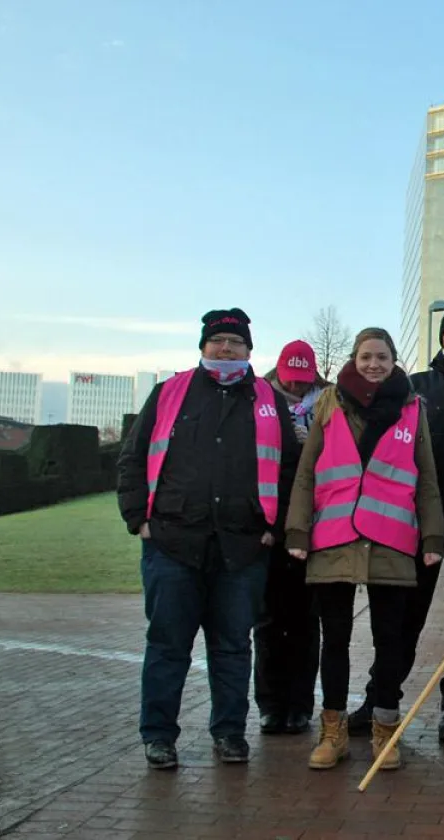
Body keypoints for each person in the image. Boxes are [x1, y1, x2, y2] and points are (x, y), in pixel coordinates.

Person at [117, 308, 300, 770]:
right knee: (167, 646)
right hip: (173, 544)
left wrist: (273, 530)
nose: (225, 349)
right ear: (203, 346)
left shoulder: (267, 399)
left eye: (235, 343)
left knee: (233, 647)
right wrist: (138, 518)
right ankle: (158, 735)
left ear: (248, 351)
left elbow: (291, 470)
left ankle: (230, 733)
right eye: (217, 341)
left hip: (241, 549)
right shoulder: (169, 393)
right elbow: (133, 458)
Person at [284, 327, 444, 772]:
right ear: (353, 359)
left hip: (392, 540)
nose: (373, 364)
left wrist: (433, 537)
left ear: (395, 360)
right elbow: (307, 471)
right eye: (365, 356)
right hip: (333, 539)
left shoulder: (414, 409)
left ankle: (384, 731)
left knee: (389, 641)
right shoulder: (328, 403)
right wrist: (297, 532)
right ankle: (333, 732)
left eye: (382, 357)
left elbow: (426, 477)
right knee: (334, 639)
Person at [347, 302, 444, 742]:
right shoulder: (414, 387)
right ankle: (380, 697)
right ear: (442, 336)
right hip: (418, 519)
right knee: (405, 616)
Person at [253, 340, 328, 736]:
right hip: (269, 527)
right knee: (267, 622)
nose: (297, 390)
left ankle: (299, 704)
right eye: (290, 381)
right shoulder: (258, 401)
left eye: (304, 382)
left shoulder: (331, 404)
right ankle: (269, 703)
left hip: (314, 529)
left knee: (305, 622)